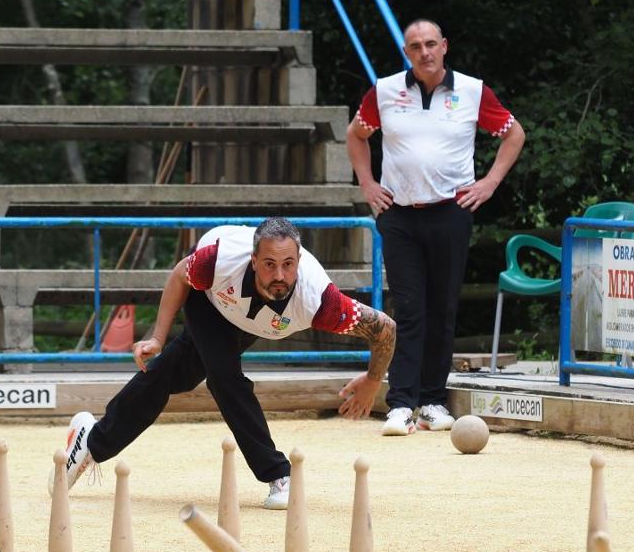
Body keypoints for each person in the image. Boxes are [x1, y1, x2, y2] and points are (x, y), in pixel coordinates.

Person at [55, 217, 396, 509]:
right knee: (224, 378)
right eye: (269, 264)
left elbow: (385, 329)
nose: (279, 275)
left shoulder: (320, 300)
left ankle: (92, 440)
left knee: (174, 376)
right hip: (211, 301)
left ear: (299, 260)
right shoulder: (217, 262)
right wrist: (157, 338)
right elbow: (179, 277)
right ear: (252, 260)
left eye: (288, 264)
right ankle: (278, 475)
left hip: (249, 320)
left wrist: (371, 379)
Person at [346, 19, 526, 436]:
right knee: (409, 308)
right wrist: (368, 184)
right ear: (406, 53)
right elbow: (356, 136)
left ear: (444, 46)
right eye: (415, 46)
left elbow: (513, 134)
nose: (424, 52)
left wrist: (490, 183)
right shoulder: (386, 90)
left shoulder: (472, 90)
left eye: (431, 44)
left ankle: (432, 400)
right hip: (400, 214)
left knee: (442, 307)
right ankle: (401, 404)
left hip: (451, 211)